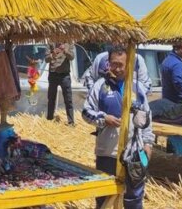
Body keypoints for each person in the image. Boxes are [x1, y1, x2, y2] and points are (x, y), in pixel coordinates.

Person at [82, 46, 154, 209]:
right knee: (105, 198)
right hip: (108, 153)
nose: (118, 69)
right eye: (114, 64)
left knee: (134, 198)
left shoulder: (138, 88)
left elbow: (147, 119)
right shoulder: (100, 86)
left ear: (129, 63)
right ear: (108, 63)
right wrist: (103, 118)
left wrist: (148, 144)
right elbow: (86, 112)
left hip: (136, 153)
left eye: (122, 64)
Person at [151, 45, 182, 115]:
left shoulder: (167, 60)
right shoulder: (177, 64)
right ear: (180, 49)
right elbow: (179, 83)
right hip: (178, 102)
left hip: (167, 99)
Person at [83, 50, 152, 94]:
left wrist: (135, 97)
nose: (117, 69)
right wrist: (96, 95)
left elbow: (146, 84)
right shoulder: (101, 58)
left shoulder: (137, 59)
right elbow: (89, 77)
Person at [45, 42, 75, 125]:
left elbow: (72, 57)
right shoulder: (51, 43)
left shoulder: (69, 43)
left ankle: (71, 122)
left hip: (64, 75)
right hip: (53, 74)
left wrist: (65, 50)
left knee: (68, 99)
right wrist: (52, 54)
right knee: (51, 99)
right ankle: (49, 119)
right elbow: (46, 59)